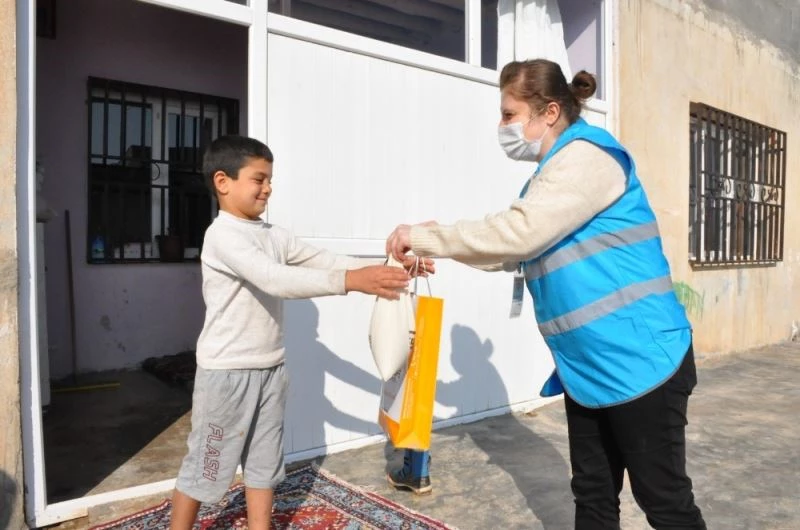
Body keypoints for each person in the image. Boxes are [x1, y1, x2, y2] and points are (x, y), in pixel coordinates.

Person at [386, 59, 706, 529]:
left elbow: (520, 234)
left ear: (550, 111)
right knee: (593, 495)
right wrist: (436, 243)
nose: (502, 126)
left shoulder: (589, 158)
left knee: (663, 500)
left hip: (642, 363)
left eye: (509, 114)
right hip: (591, 369)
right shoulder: (549, 176)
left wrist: (430, 236)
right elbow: (515, 252)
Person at [169, 135, 431, 530]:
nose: (268, 188)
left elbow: (321, 259)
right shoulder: (222, 236)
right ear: (223, 182)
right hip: (226, 376)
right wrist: (352, 280)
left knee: (264, 462)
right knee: (206, 468)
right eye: (259, 179)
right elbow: (274, 279)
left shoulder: (274, 234)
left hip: (271, 369)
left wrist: (391, 266)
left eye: (270, 179)